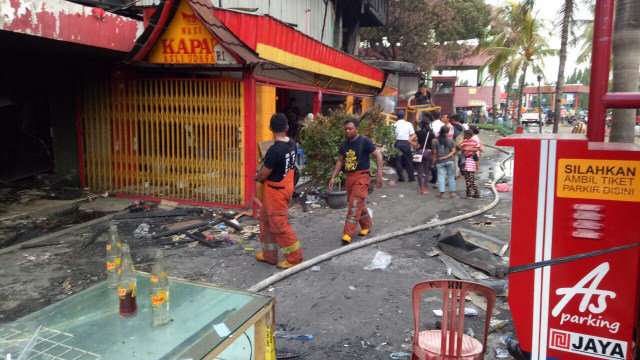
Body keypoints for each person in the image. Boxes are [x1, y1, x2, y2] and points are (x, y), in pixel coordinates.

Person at [255, 114, 303, 269]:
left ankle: (295, 258)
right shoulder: (292, 143)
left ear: (270, 128)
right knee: (265, 220)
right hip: (284, 187)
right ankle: (270, 255)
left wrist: (257, 177)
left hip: (276, 192)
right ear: (287, 127)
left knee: (280, 226)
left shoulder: (274, 151)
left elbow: (264, 173)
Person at [329, 118, 383, 244]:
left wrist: (379, 175)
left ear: (357, 129)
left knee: (354, 204)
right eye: (346, 129)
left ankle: (347, 233)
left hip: (362, 176)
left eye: (350, 129)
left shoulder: (365, 141)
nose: (347, 131)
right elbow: (340, 161)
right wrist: (333, 177)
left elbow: (378, 155)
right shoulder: (344, 144)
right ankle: (367, 224)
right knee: (358, 204)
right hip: (349, 177)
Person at [393, 110, 418, 182]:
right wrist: (413, 144)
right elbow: (412, 135)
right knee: (408, 160)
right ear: (404, 116)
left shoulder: (394, 125)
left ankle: (401, 178)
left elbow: (392, 136)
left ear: (397, 117)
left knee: (398, 161)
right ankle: (411, 177)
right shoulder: (409, 124)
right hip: (406, 143)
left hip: (397, 143)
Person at [432, 126, 457, 198]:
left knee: (441, 177)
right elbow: (453, 151)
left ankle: (442, 193)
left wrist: (433, 161)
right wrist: (446, 157)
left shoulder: (436, 142)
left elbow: (434, 153)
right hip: (450, 161)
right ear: (447, 132)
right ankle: (452, 193)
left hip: (440, 162)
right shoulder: (451, 140)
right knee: (451, 176)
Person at [414, 115, 436, 195]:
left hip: (420, 152)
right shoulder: (432, 134)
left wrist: (415, 144)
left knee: (419, 172)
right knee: (427, 172)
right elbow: (433, 146)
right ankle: (424, 189)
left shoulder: (418, 132)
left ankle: (420, 188)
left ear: (421, 125)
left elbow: (409, 140)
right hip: (429, 153)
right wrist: (434, 156)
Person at [460, 129, 481, 198]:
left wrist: (466, 149)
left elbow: (461, 148)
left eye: (465, 135)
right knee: (472, 178)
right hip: (473, 161)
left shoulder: (464, 142)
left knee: (468, 179)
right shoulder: (475, 142)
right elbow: (479, 148)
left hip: (467, 161)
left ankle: (469, 194)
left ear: (467, 135)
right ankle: (476, 193)